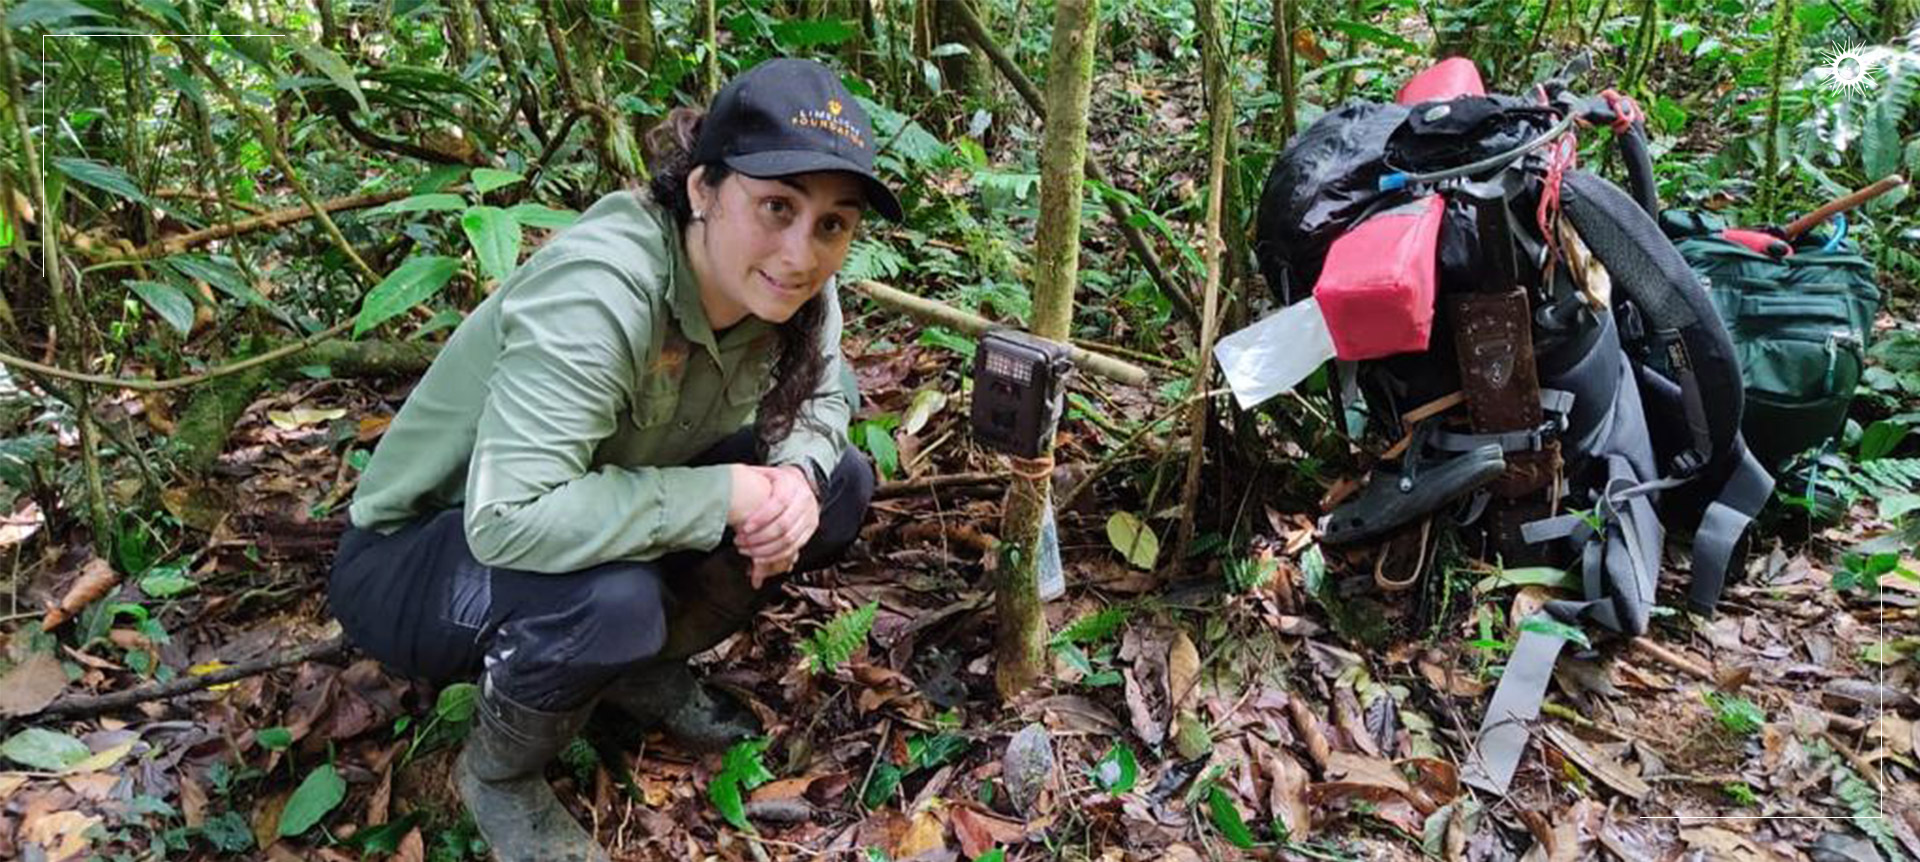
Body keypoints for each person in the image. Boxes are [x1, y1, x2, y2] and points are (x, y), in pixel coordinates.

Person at [327, 58, 899, 862]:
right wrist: (727, 491)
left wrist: (796, 479)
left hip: (598, 507)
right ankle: (498, 775)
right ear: (702, 189)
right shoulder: (603, 290)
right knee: (613, 600)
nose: (802, 251)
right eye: (776, 206)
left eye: (832, 224)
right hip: (422, 553)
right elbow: (509, 520)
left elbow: (823, 397)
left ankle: (639, 671)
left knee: (839, 486)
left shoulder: (794, 287)